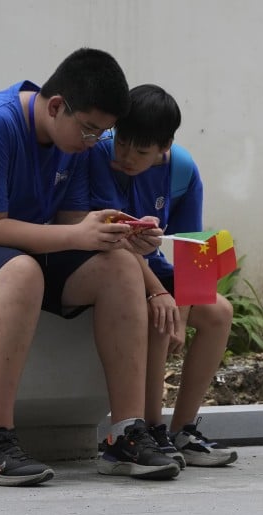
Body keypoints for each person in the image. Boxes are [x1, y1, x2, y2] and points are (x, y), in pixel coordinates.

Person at [0, 48, 181, 486]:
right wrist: (79, 236)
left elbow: (68, 224)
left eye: (101, 133)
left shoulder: (75, 144)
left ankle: (124, 435)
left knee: (120, 266)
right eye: (89, 130)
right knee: (23, 272)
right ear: (57, 105)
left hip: (15, 244)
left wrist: (121, 233)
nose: (92, 142)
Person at [88, 83, 237, 469]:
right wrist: (163, 298)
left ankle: (183, 429)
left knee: (219, 312)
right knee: (160, 313)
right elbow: (113, 240)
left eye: (140, 151)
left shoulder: (182, 169)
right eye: (122, 143)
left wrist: (183, 316)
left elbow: (195, 247)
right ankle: (150, 427)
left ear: (164, 146)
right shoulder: (99, 157)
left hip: (155, 273)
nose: (127, 157)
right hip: (114, 271)